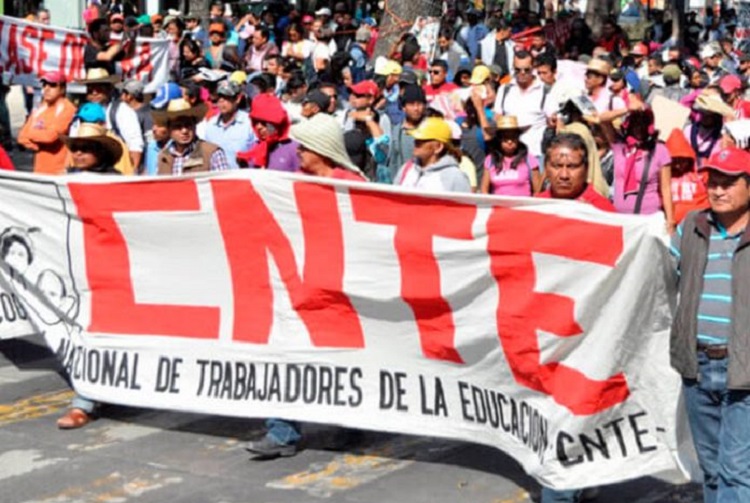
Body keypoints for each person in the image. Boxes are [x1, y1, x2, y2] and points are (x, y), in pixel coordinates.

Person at [670, 146, 750, 503]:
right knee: (713, 468)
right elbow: (655, 272)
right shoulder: (693, 225)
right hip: (697, 366)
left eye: (728, 183)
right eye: (713, 181)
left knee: (736, 468)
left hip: (744, 369)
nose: (717, 190)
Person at [493, 50, 556, 163]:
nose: (522, 73)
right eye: (517, 70)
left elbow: (554, 120)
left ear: (533, 68)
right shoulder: (504, 89)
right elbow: (498, 117)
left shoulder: (545, 91)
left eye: (526, 70)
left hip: (535, 153)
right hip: (509, 155)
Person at [76, 68, 143, 172]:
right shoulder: (80, 113)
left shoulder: (121, 110)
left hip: (117, 171)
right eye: (90, 88)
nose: (94, 92)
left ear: (109, 88)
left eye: (99, 87)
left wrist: (132, 172)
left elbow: (135, 144)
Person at [18, 72, 76, 175]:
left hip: (59, 172)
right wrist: (38, 141)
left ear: (62, 89)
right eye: (44, 84)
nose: (47, 88)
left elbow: (50, 137)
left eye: (52, 85)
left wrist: (32, 136)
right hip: (39, 170)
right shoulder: (42, 107)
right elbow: (22, 137)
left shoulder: (68, 109)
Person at [152, 99, 229, 174]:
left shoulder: (212, 153)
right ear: (169, 130)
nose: (184, 131)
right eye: (178, 126)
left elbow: (223, 185)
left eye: (188, 125)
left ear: (194, 126)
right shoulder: (163, 157)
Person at [394, 117, 471, 192]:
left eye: (422, 140)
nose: (415, 142)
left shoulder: (455, 177)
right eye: (416, 139)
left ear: (438, 147)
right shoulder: (407, 168)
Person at [292, 113, 367, 181]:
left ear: (321, 151)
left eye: (304, 147)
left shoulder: (352, 183)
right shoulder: (296, 180)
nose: (297, 150)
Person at [199, 80, 255, 170]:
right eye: (219, 97)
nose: (221, 101)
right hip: (216, 180)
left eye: (226, 97)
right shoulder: (211, 125)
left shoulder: (249, 123)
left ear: (237, 99)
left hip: (242, 179)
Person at [481, 116, 541, 196]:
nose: (509, 141)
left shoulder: (529, 159)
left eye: (513, 137)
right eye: (505, 138)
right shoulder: (490, 160)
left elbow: (538, 191)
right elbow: (484, 190)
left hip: (523, 207)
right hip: (498, 207)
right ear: (499, 139)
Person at [237, 94, 300, 172]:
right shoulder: (253, 148)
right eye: (255, 122)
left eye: (264, 122)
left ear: (276, 124)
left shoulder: (295, 150)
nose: (258, 127)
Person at [666, 128, 709, 224]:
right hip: (672, 224)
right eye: (674, 161)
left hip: (700, 222)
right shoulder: (664, 172)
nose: (678, 165)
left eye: (682, 161)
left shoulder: (701, 167)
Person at [388, 85, 426, 179]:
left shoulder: (429, 130)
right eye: (412, 104)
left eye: (419, 104)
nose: (416, 108)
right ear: (404, 107)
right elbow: (392, 161)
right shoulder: (396, 131)